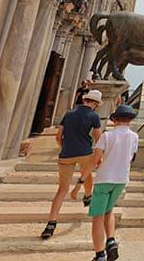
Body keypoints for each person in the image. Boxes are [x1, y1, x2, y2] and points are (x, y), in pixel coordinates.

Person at [41, 89, 102, 239]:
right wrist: (98, 157)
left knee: (61, 190)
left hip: (66, 154)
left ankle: (51, 223)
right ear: (94, 103)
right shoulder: (94, 116)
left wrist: (64, 147)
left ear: (84, 100)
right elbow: (98, 137)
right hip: (85, 152)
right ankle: (87, 196)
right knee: (87, 175)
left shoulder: (68, 115)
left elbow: (58, 136)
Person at [88, 104, 139, 261]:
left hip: (104, 179)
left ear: (115, 120)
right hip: (121, 179)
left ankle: (100, 254)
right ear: (130, 120)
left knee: (97, 217)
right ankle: (111, 241)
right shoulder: (134, 136)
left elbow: (95, 160)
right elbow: (133, 157)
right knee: (109, 211)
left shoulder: (107, 136)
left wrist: (82, 179)